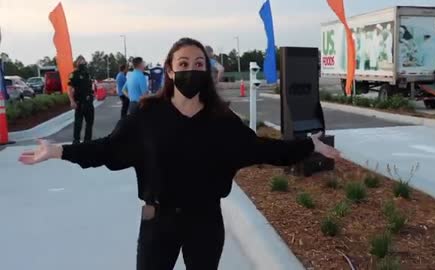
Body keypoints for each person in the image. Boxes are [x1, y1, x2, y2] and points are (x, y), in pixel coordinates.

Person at [18, 37, 340, 270]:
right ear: (169, 71)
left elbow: (265, 150)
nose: (191, 70)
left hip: (205, 223)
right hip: (158, 223)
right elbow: (106, 150)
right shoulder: (146, 116)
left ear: (207, 71)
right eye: (183, 64)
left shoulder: (222, 121)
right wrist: (59, 150)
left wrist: (310, 144)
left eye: (198, 64)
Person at [68, 55, 95, 144]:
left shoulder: (88, 74)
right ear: (76, 63)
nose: (82, 62)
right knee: (78, 123)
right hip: (80, 103)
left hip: (89, 102)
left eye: (83, 61)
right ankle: (76, 141)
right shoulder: (74, 74)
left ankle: (87, 141)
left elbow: (91, 86)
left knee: (90, 123)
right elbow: (70, 88)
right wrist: (72, 101)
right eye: (80, 61)